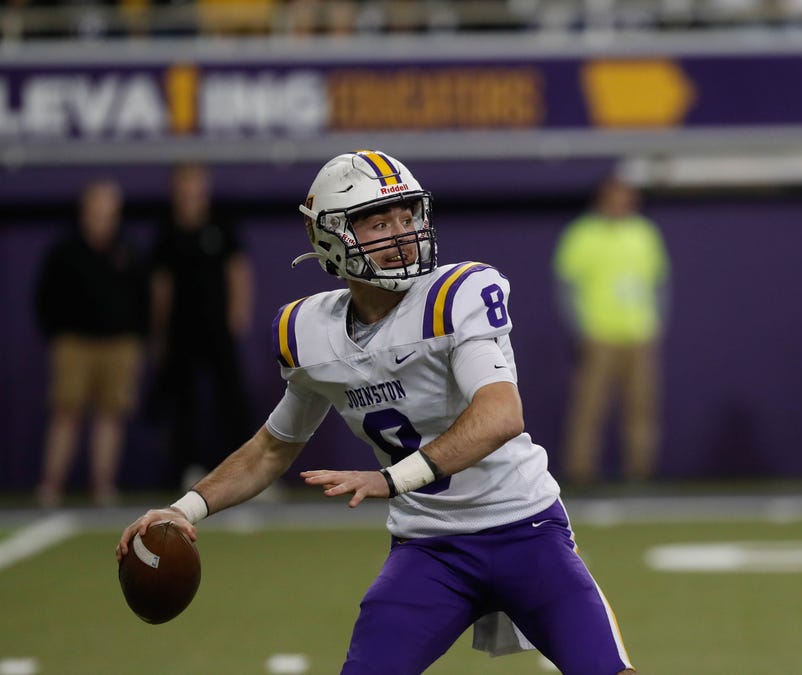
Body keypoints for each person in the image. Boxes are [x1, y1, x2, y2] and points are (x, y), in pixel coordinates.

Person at [117, 151, 636, 675]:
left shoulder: (455, 298)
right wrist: (184, 511)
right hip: (430, 549)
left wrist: (393, 478)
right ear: (331, 236)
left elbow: (501, 414)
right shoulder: (309, 333)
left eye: (407, 216)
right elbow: (271, 449)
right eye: (379, 222)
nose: (402, 232)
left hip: (525, 531)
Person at [34, 178, 147, 507]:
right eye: (96, 210)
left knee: (110, 416)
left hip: (119, 345)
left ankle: (103, 486)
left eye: (109, 211)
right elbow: (45, 298)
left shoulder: (128, 251)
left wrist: (136, 339)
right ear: (85, 212)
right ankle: (51, 486)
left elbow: (142, 299)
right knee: (66, 413)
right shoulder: (65, 252)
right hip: (74, 345)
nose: (102, 218)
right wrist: (58, 334)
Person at [554, 177, 670, 485]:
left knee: (642, 408)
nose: (622, 203)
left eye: (627, 197)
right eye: (615, 197)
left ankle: (640, 473)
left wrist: (655, 322)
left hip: (639, 334)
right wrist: (581, 329)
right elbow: (566, 286)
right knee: (590, 409)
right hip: (599, 334)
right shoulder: (583, 234)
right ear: (603, 199)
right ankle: (581, 474)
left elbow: (659, 282)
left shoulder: (645, 232)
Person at [150, 163, 254, 489]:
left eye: (196, 184)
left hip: (218, 329)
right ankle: (190, 469)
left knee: (232, 400)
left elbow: (238, 271)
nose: (191, 191)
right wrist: (160, 329)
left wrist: (238, 312)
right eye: (185, 185)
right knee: (185, 404)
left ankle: (247, 472)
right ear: (176, 189)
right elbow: (161, 285)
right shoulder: (167, 229)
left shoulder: (221, 224)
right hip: (182, 332)